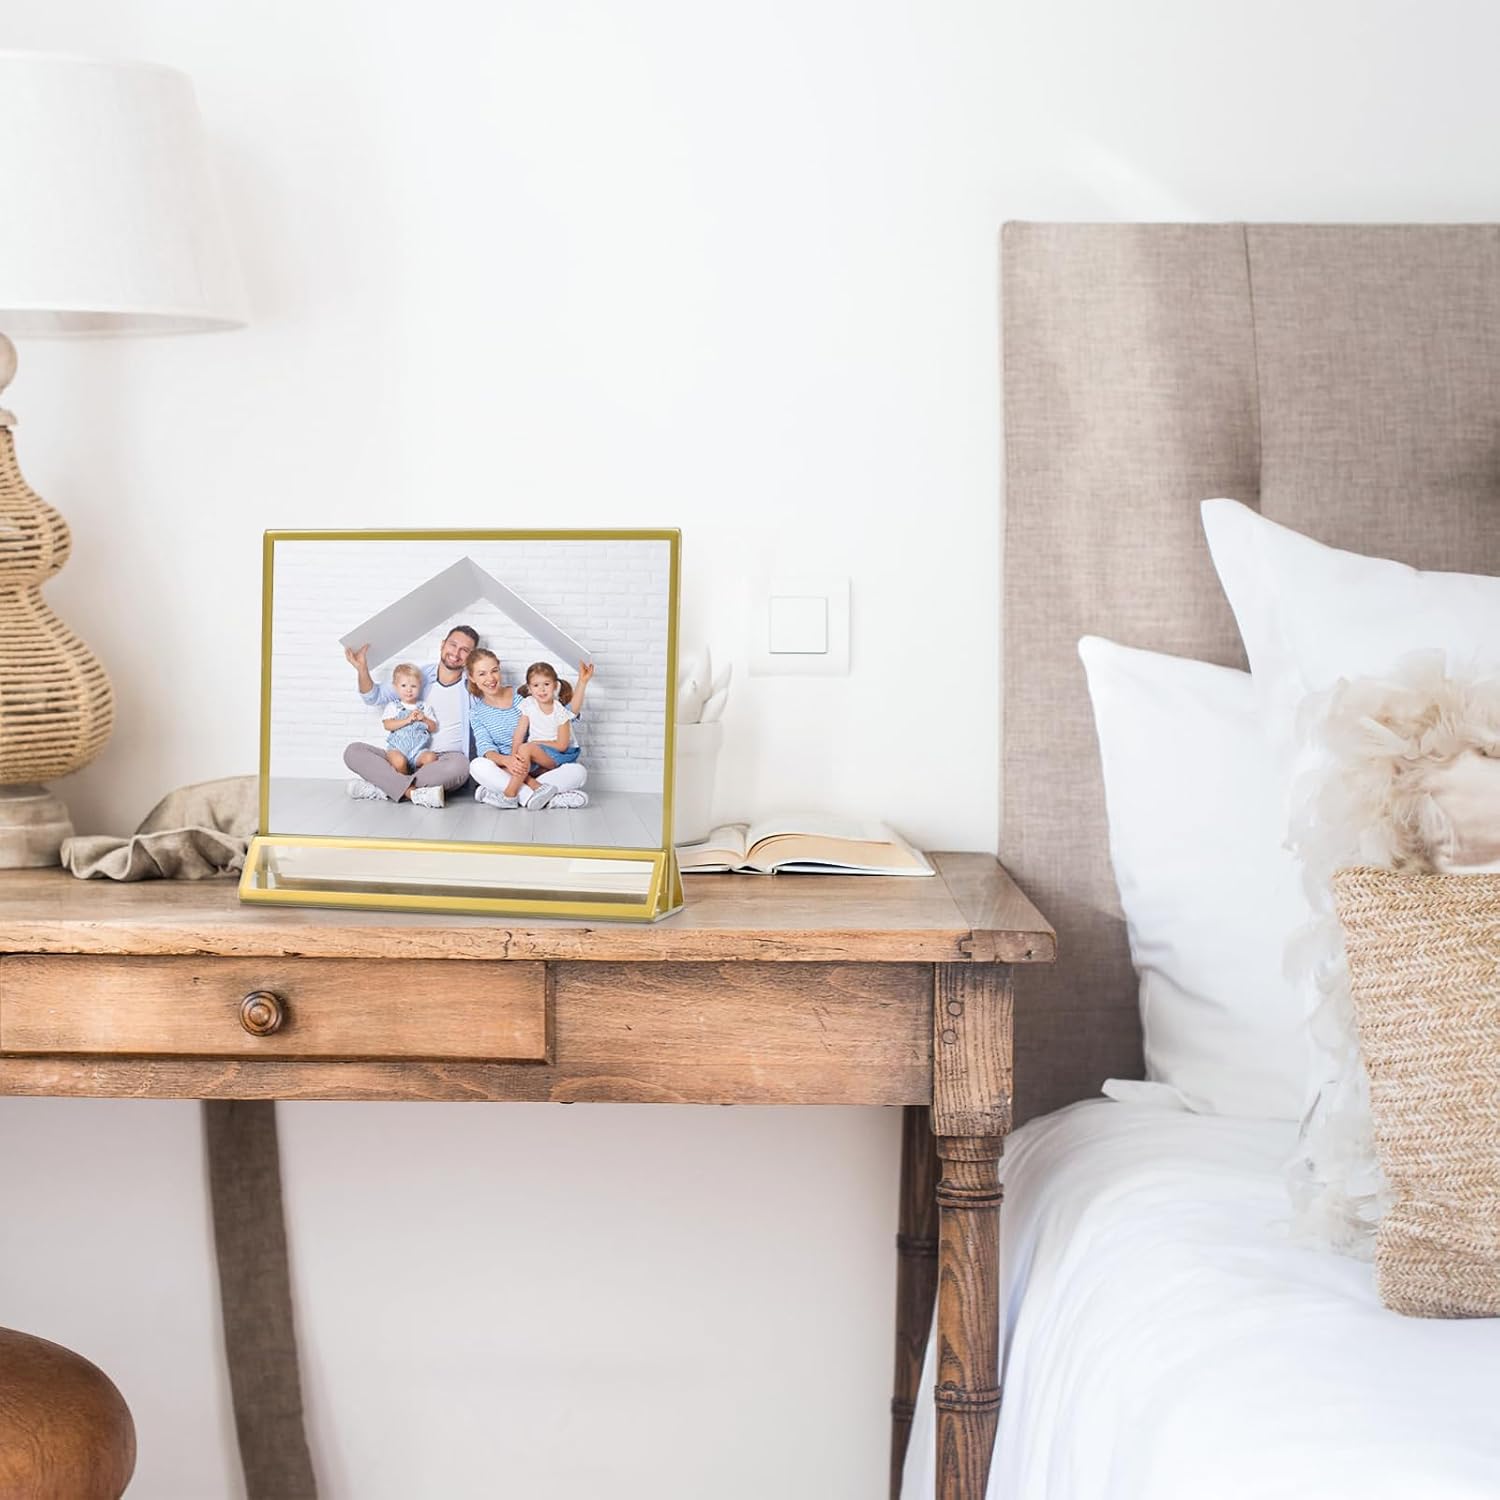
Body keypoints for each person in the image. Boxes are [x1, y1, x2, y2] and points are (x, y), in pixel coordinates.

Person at [342, 625, 480, 807]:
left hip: (440, 762)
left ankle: (384, 787)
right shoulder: (420, 677)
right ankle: (412, 792)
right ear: (442, 644)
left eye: (464, 650)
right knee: (353, 752)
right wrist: (362, 669)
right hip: (401, 757)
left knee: (460, 767)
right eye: (453, 645)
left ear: (471, 656)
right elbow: (373, 697)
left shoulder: (473, 687)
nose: (456, 653)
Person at [465, 650, 589, 809]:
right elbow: (486, 748)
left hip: (539, 767)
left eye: (494, 671)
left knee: (578, 772)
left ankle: (507, 793)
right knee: (477, 765)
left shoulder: (524, 698)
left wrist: (582, 682)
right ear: (472, 677)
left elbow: (564, 713)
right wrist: (508, 761)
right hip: (506, 768)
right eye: (482, 674)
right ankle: (539, 796)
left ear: (499, 669)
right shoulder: (476, 712)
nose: (490, 678)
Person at [509, 660, 594, 789]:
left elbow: (562, 746)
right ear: (529, 689)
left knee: (525, 748)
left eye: (546, 684)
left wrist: (582, 681)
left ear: (555, 686)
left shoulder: (559, 711)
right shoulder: (529, 704)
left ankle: (510, 794)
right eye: (536, 685)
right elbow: (519, 733)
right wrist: (513, 757)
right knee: (517, 763)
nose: (542, 689)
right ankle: (537, 787)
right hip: (539, 754)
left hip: (558, 754)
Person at [381, 663, 439, 775]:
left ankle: (419, 778)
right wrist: (407, 720)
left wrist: (424, 719)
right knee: (399, 762)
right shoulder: (393, 706)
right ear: (395, 686)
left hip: (418, 751)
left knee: (431, 757)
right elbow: (387, 725)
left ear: (419, 686)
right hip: (397, 749)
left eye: (413, 686)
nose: (409, 690)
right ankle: (405, 781)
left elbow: (433, 728)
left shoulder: (424, 707)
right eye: (403, 686)